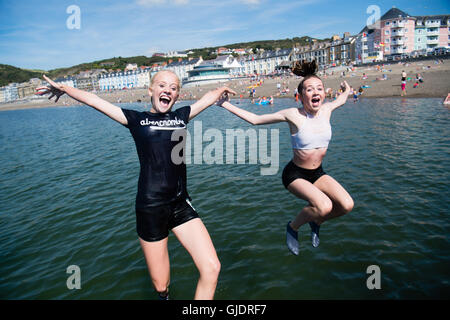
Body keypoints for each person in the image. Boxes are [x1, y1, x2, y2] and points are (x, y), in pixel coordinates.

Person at [36, 71, 236, 300]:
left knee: (212, 267)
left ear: (177, 95)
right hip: (151, 208)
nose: (167, 90)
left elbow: (207, 99)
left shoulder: (182, 116)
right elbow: (95, 101)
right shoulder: (136, 120)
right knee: (161, 285)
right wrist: (65, 89)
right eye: (162, 85)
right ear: (151, 90)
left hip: (181, 203)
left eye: (173, 87)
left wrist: (221, 89)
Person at [217, 60, 354, 255]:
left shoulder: (326, 110)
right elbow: (256, 120)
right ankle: (293, 227)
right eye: (309, 89)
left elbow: (341, 99)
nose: (315, 92)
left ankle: (317, 222)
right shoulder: (293, 115)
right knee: (324, 205)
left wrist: (346, 89)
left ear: (324, 93)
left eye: (319, 88)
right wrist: (225, 105)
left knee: (346, 205)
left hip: (317, 173)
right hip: (295, 175)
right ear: (300, 96)